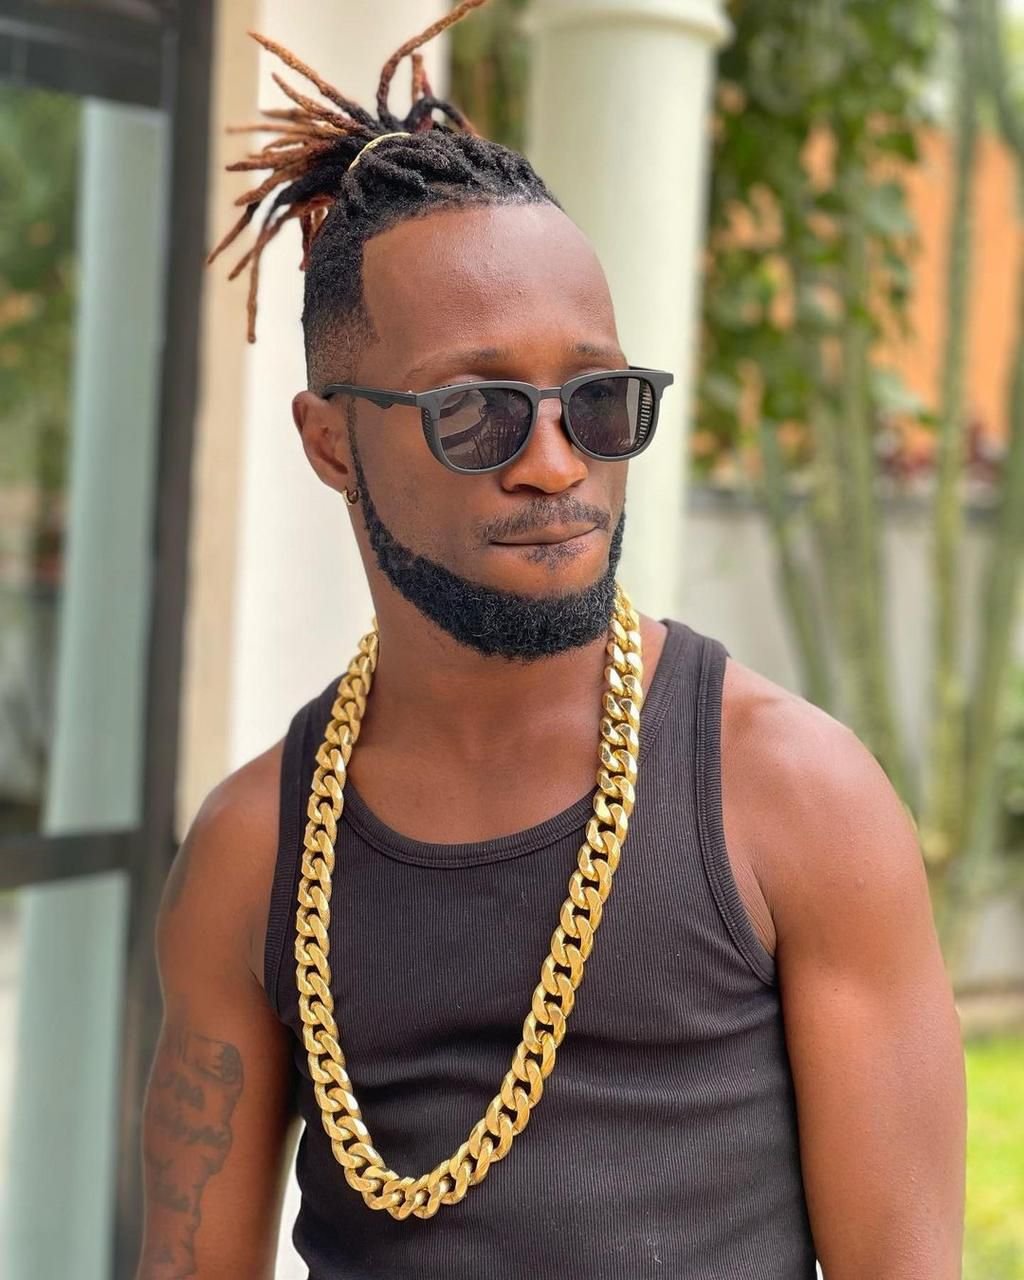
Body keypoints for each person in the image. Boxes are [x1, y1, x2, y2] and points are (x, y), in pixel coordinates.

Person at [135, 3, 966, 1277]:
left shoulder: (795, 799)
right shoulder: (254, 852)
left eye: (598, 400)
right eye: (477, 411)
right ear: (330, 441)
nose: (554, 461)